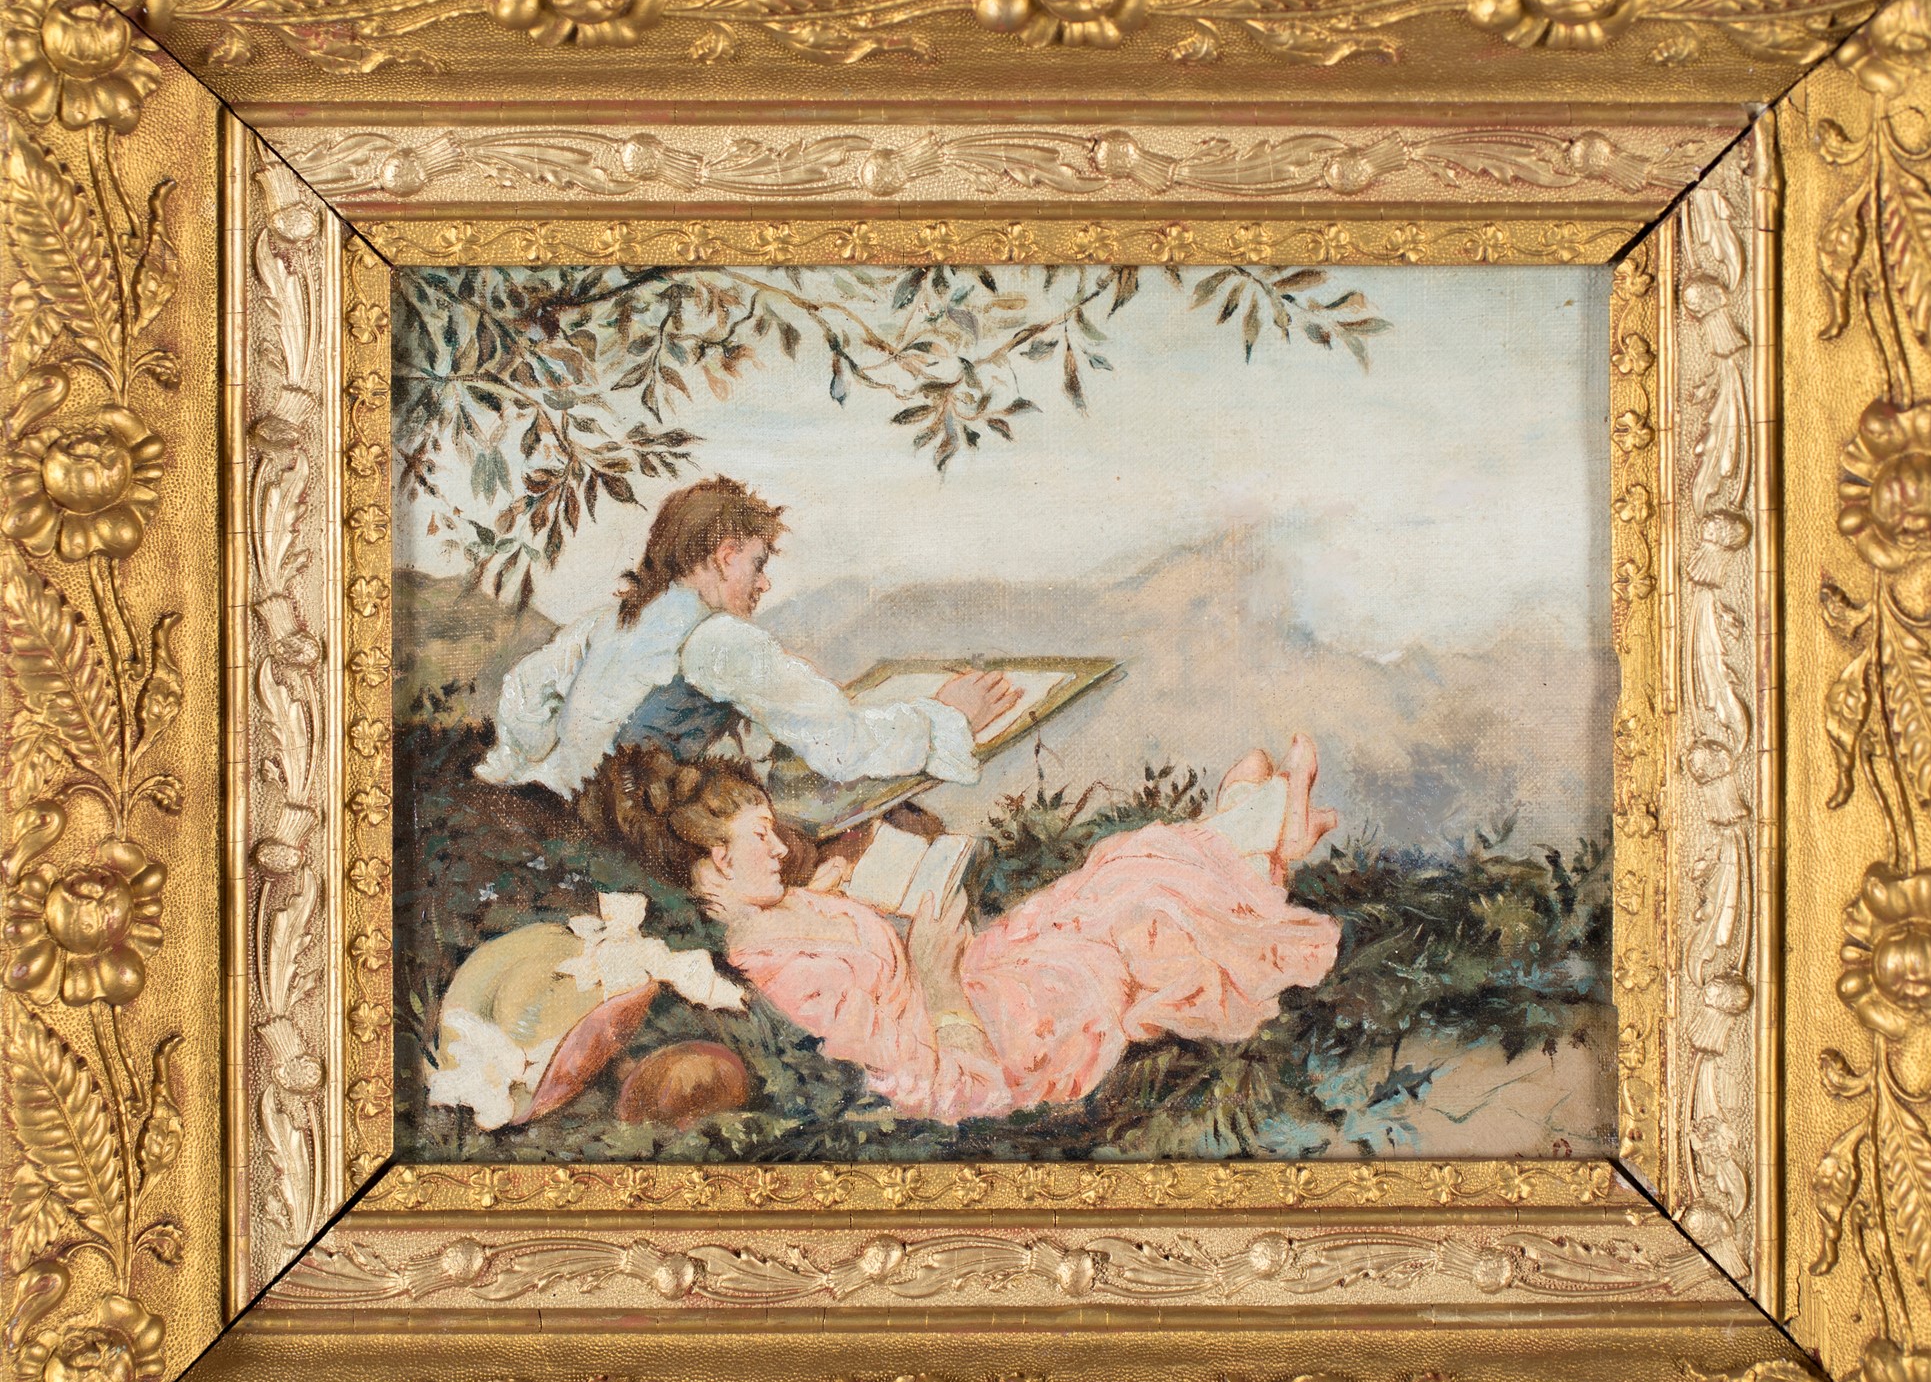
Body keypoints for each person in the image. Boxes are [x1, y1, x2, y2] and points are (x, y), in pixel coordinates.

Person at [581, 738, 1343, 1125]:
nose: (780, 848)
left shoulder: (773, 909)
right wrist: (937, 979)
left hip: (975, 978)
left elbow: (834, 929)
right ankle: (1260, 833)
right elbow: (938, 1090)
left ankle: (1248, 825)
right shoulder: (781, 972)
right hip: (989, 1037)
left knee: (1100, 885)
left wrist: (837, 892)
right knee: (1122, 927)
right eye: (761, 836)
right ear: (717, 861)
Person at [477, 475, 1024, 800]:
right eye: (758, 564)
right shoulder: (718, 642)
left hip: (560, 807)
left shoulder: (611, 620)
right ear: (725, 555)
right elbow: (843, 746)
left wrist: (536, 763)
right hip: (625, 843)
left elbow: (525, 690)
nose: (764, 584)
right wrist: (945, 718)